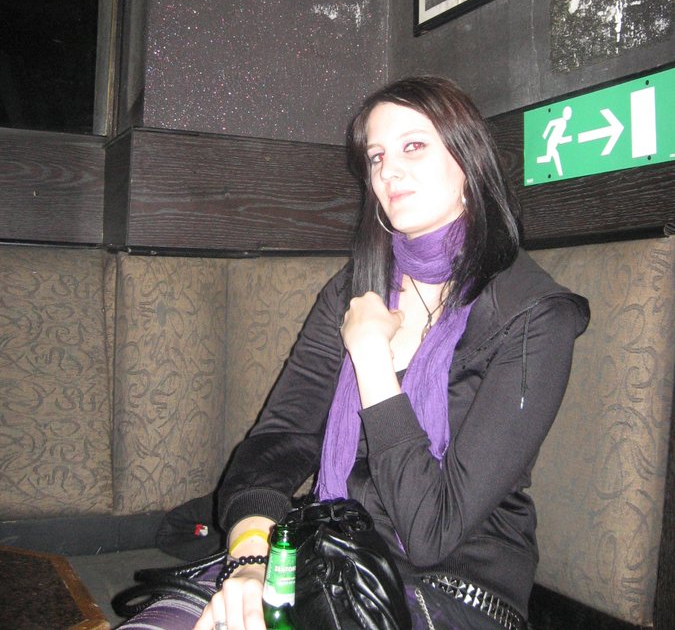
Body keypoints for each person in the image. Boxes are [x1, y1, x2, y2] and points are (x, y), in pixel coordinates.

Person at [121, 76, 589, 630]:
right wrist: (249, 559)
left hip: (454, 589)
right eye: (377, 156)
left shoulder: (534, 315)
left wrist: (371, 357)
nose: (389, 171)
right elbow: (282, 435)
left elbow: (432, 531)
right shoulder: (354, 289)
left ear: (470, 161)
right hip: (329, 554)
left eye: (414, 146)